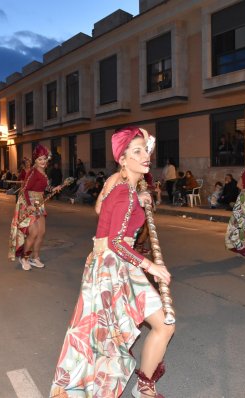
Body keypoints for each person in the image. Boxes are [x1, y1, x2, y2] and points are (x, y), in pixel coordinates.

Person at [50, 126, 173, 398]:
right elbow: (116, 242)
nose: (145, 156)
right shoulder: (122, 191)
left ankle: (145, 385)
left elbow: (101, 210)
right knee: (106, 340)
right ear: (123, 159)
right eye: (137, 151)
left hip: (116, 263)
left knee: (160, 326)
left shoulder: (121, 184)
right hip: (113, 268)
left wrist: (137, 199)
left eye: (145, 151)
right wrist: (152, 266)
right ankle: (132, 387)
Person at [8, 145, 63, 270]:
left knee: (41, 233)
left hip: (40, 203)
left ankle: (35, 257)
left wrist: (54, 189)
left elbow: (45, 187)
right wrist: (29, 206)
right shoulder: (33, 172)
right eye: (40, 159)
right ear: (35, 161)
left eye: (44, 159)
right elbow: (25, 190)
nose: (43, 161)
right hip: (29, 204)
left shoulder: (44, 172)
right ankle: (25, 257)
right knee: (33, 233)